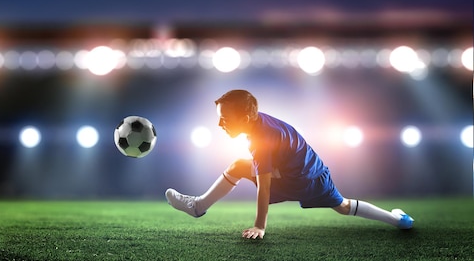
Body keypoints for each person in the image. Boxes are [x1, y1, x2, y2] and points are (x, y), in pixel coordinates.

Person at [165, 89, 414, 240]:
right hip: (313, 176)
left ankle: (198, 207)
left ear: (247, 116)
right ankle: (398, 220)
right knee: (343, 206)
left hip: (298, 179)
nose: (220, 124)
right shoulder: (260, 124)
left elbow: (264, 187)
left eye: (225, 119)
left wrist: (259, 227)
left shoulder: (261, 139)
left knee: (238, 167)